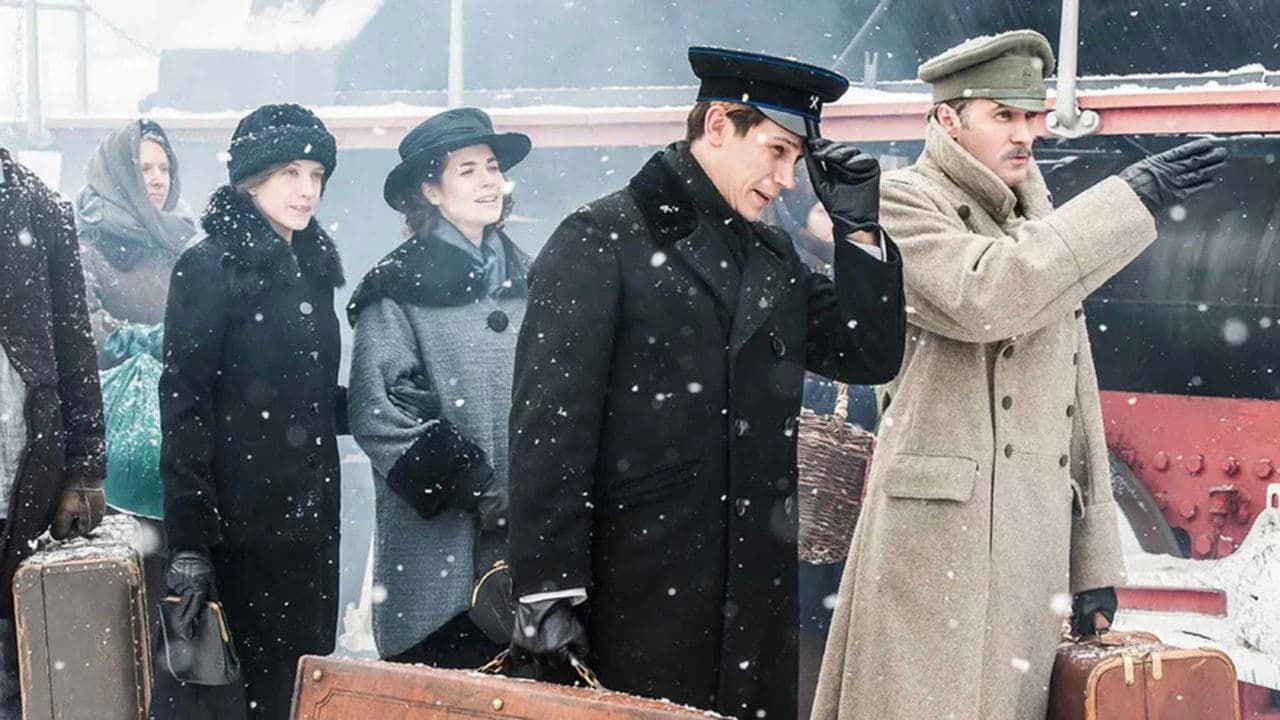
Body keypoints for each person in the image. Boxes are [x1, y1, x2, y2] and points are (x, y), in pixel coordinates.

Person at [813, 30, 1227, 720]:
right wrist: (1129, 197)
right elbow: (987, 296)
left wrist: (1094, 563)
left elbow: (1075, 393)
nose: (1025, 133)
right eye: (1003, 115)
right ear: (948, 119)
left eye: (1031, 116)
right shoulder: (900, 202)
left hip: (1027, 552)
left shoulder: (1039, 220)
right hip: (933, 545)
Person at [506, 46, 907, 720]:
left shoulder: (772, 254)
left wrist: (860, 230)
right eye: (776, 151)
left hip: (754, 600)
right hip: (638, 595)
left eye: (795, 159)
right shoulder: (601, 237)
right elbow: (550, 428)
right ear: (718, 124)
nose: (786, 179)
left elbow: (868, 353)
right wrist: (547, 589)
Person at [153, 104, 347, 720]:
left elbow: (304, 394)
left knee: (303, 695)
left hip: (311, 532)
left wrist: (368, 405)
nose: (307, 189)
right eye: (290, 172)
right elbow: (184, 406)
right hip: (242, 535)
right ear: (250, 180)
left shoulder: (312, 269)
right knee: (243, 702)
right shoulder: (208, 267)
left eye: (316, 174)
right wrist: (190, 542)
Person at [347, 107, 531, 667]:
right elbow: (379, 412)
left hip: (525, 550)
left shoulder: (534, 277)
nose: (487, 182)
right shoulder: (396, 287)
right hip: (436, 560)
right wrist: (476, 485)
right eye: (467, 170)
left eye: (492, 167)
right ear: (430, 191)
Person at [0, 147, 107, 718]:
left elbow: (74, 345)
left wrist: (86, 468)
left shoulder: (39, 206)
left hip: (23, 479)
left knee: (21, 672)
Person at [75, 119, 195, 359]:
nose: (158, 180)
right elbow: (87, 331)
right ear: (118, 177)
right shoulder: (88, 248)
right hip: (117, 382)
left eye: (164, 168)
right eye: (145, 169)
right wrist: (156, 342)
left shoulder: (182, 243)